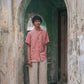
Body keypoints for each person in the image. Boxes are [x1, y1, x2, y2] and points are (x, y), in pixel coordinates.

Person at [25, 15, 50, 84]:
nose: (37, 22)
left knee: (43, 77)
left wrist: (44, 53)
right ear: (33, 23)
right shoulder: (30, 34)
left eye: (39, 21)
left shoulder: (44, 33)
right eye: (36, 21)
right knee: (33, 78)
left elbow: (45, 44)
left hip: (43, 57)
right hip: (33, 57)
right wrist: (29, 59)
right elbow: (28, 46)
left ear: (41, 22)